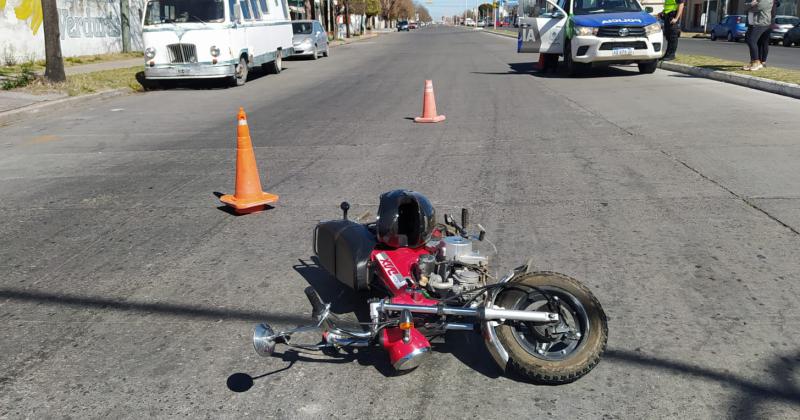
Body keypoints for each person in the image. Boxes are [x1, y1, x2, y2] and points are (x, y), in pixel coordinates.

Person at [743, 0, 774, 71]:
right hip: (753, 24)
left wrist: (750, 5)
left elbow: (756, 8)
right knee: (749, 40)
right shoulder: (756, 1)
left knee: (752, 41)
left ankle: (757, 62)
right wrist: (751, 4)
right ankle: (753, 62)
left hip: (761, 24)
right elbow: (744, 7)